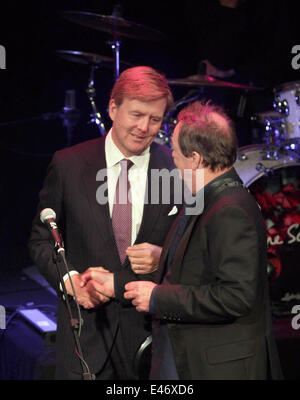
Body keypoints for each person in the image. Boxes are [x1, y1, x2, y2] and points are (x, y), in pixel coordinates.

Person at [84, 100, 283, 379]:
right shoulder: (205, 200)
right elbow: (191, 272)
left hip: (216, 367)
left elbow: (236, 297)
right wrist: (117, 285)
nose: (172, 160)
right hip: (185, 353)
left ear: (196, 158)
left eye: (176, 153)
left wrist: (157, 298)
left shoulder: (231, 210)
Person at [28, 66, 181, 380]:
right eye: (136, 115)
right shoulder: (68, 164)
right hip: (85, 342)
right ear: (113, 108)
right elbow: (42, 240)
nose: (144, 127)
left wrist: (162, 255)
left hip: (152, 345)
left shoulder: (176, 167)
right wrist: (68, 279)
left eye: (155, 119)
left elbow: (198, 250)